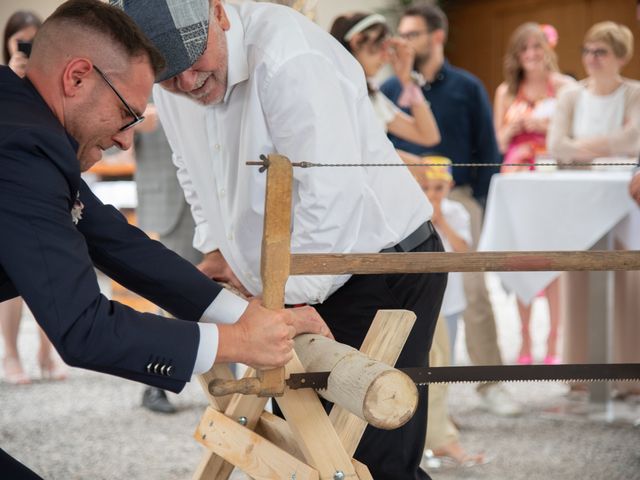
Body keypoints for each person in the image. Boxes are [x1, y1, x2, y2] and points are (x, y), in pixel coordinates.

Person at [116, 1, 448, 479]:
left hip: (375, 267)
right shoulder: (171, 74)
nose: (187, 83)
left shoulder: (291, 58)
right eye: (168, 75)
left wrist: (280, 303)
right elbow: (193, 167)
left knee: (369, 463)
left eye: (194, 61)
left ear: (218, 14)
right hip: (291, 286)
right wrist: (217, 250)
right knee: (308, 454)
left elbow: (330, 201)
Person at [0, 1, 329, 476]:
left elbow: (113, 240)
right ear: (76, 78)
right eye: (126, 114)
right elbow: (83, 330)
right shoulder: (24, 149)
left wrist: (252, 317)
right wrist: (236, 341)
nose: (125, 140)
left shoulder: (21, 119)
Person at [380, 3, 521, 417]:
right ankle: (416, 398)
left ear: (437, 36)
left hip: (457, 197)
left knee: (475, 293)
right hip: (403, 203)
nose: (404, 42)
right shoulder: (389, 92)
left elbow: (488, 151)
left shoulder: (467, 86)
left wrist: (475, 202)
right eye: (401, 35)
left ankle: (492, 383)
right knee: (405, 294)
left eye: (413, 34)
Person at [548, 21, 640, 396]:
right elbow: (557, 145)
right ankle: (581, 371)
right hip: (580, 199)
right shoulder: (571, 95)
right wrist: (607, 147)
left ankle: (629, 375)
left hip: (625, 201)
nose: (592, 58)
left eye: (601, 51)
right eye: (588, 50)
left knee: (629, 282)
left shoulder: (633, 93)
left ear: (620, 56)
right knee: (580, 277)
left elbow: (633, 138)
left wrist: (581, 146)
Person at [493, 23, 574, 366]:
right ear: (516, 54)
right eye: (524, 48)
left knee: (553, 261)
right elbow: (498, 141)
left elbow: (575, 132)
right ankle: (525, 339)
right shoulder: (505, 92)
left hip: (551, 176)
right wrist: (512, 129)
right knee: (522, 258)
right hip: (516, 178)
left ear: (547, 50)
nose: (530, 54)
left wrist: (545, 128)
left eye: (536, 47)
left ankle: (555, 341)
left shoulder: (565, 87)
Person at [1, 10, 68, 385]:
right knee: (12, 279)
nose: (27, 47)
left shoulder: (52, 81)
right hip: (9, 185)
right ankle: (10, 353)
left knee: (49, 272)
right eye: (20, 40)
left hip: (45, 181)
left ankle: (47, 351)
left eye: (35, 40)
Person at [415, 158, 484, 468]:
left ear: (450, 186)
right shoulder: (413, 212)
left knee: (444, 368)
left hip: (450, 304)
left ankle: (438, 433)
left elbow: (464, 252)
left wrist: (440, 218)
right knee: (424, 367)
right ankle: (434, 437)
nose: (432, 193)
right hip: (422, 304)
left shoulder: (456, 213)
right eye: (426, 187)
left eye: (438, 187)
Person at [134, 105, 203, 413]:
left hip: (221, 197)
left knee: (233, 291)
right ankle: (155, 382)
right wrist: (135, 120)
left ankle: (233, 390)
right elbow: (106, 146)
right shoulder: (129, 67)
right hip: (177, 203)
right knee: (176, 295)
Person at [329, 12, 439, 147]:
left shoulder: (372, 96)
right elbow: (354, 150)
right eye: (380, 46)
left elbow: (428, 136)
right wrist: (406, 160)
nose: (386, 57)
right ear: (357, 41)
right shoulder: (333, 93)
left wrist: (407, 79)